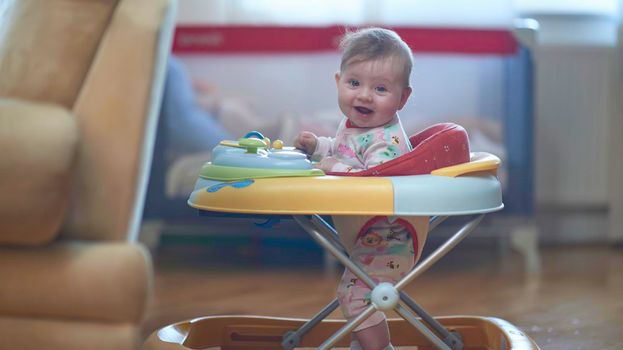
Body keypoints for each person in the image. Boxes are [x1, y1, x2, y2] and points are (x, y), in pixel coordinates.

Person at [294, 28, 416, 350]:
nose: (364, 95)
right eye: (354, 83)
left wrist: (331, 168)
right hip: (368, 234)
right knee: (355, 294)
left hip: (392, 237)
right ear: (338, 82)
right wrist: (319, 148)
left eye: (380, 88)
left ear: (402, 98)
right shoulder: (357, 126)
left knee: (357, 296)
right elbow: (343, 151)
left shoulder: (385, 141)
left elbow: (372, 179)